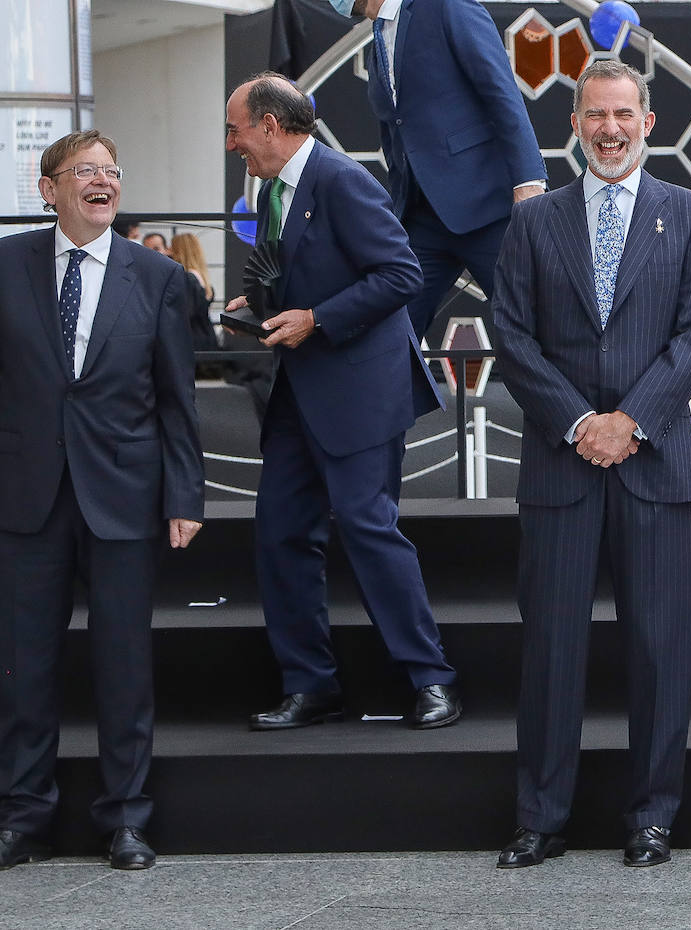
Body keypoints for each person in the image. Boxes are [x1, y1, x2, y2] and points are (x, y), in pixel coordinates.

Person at [0, 130, 205, 872]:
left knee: (124, 664)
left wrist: (185, 494)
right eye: (85, 171)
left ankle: (126, 819)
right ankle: (21, 822)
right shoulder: (4, 264)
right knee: (24, 667)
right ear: (48, 187)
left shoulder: (156, 277)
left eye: (112, 171)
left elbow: (178, 401)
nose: (103, 181)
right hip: (27, 496)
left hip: (124, 495)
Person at [492, 60, 691, 869]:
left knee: (662, 650)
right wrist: (582, 422)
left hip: (653, 464)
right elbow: (512, 339)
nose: (610, 129)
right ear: (576, 125)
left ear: (649, 123)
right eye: (595, 116)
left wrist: (631, 422)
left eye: (624, 114)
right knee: (551, 649)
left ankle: (652, 817)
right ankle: (540, 818)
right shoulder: (531, 223)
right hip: (562, 466)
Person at [222, 73, 460, 731]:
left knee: (367, 528)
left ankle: (431, 678)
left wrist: (317, 319)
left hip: (359, 393)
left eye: (235, 129)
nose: (230, 143)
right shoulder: (276, 189)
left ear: (271, 126)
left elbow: (402, 275)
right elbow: (295, 272)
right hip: (300, 395)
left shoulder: (341, 179)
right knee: (279, 535)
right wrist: (263, 307)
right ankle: (311, 685)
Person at [331, 0, 547, 339]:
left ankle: (575, 393)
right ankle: (401, 395)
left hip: (489, 209)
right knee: (391, 333)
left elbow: (501, 90)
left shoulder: (446, 6)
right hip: (422, 219)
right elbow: (396, 130)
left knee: (530, 331)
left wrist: (528, 181)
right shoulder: (378, 37)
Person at [169, 232, 221, 354]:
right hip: (206, 334)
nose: (169, 252)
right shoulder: (201, 275)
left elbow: (187, 312)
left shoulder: (188, 277)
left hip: (192, 340)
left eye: (172, 248)